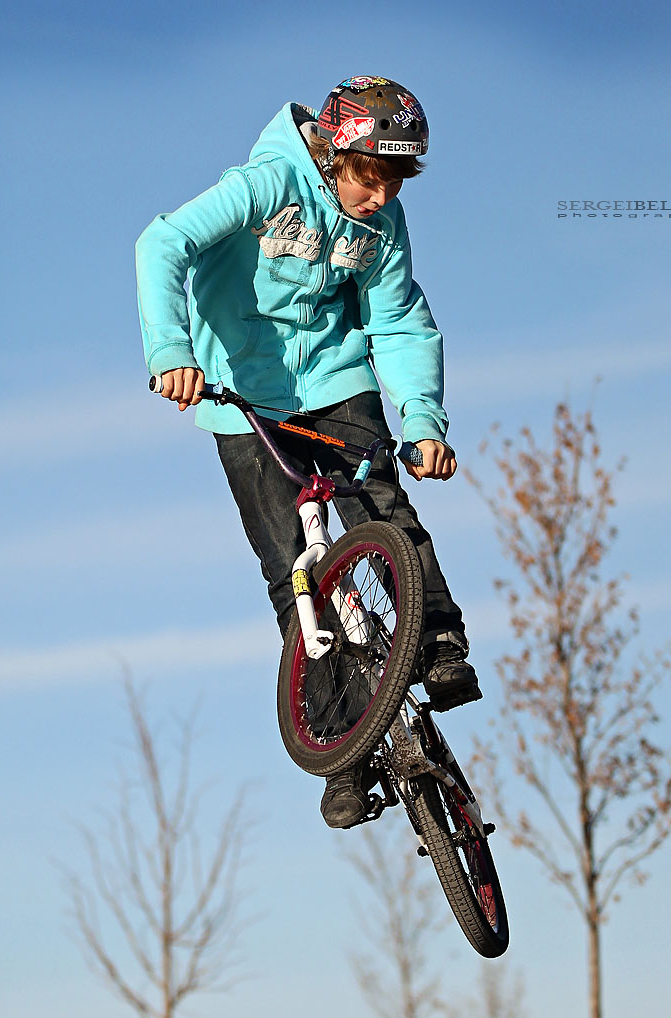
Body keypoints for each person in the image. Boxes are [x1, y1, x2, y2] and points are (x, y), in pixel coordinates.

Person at [136, 76, 480, 829]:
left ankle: (440, 642)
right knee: (295, 574)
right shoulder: (267, 184)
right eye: (370, 177)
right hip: (240, 398)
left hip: (333, 382)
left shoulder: (384, 226)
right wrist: (172, 349)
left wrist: (424, 422)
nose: (381, 197)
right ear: (334, 156)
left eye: (395, 181)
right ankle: (345, 756)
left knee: (380, 503)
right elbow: (163, 242)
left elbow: (398, 320)